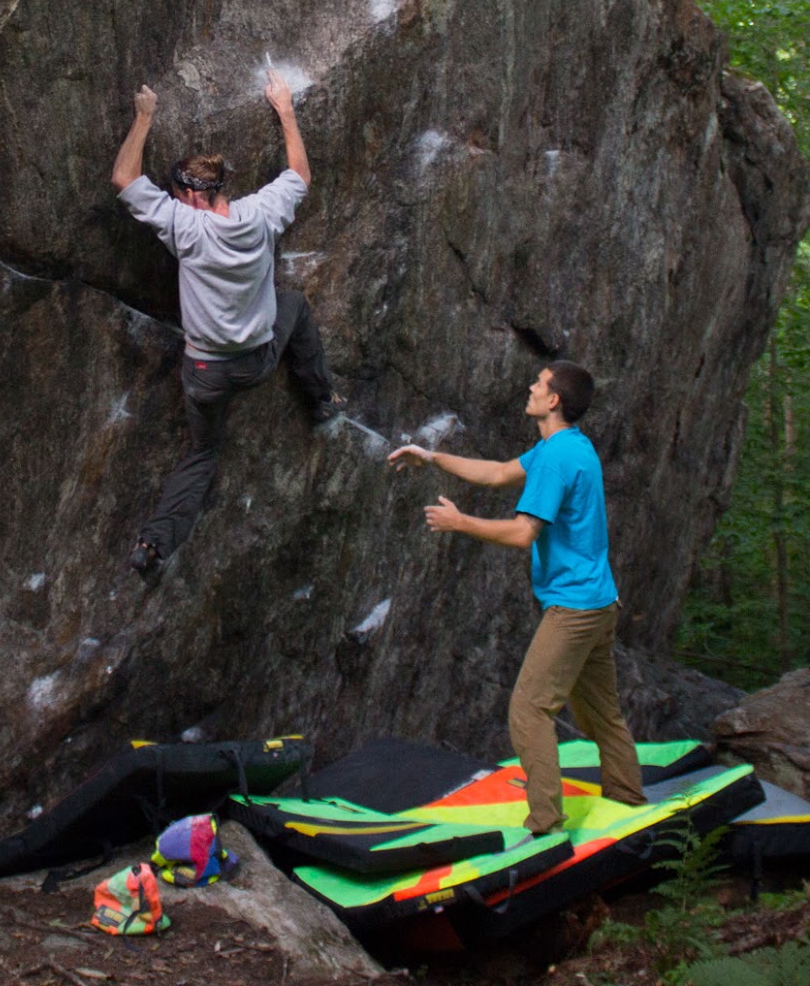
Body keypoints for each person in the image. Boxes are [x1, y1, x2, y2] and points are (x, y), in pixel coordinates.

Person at [388, 362, 645, 835]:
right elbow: (499, 473)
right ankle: (628, 800)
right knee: (600, 712)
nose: (530, 386)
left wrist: (460, 523)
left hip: (574, 609)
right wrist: (432, 457)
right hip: (600, 602)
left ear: (554, 401)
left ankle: (546, 824)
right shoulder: (568, 446)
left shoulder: (557, 457)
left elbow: (524, 532)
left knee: (529, 710)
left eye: (539, 383)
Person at [111, 72, 343, 577]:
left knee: (203, 452)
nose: (172, 202)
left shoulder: (185, 229)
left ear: (193, 199)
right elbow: (300, 173)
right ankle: (322, 401)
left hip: (205, 372)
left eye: (176, 194)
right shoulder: (260, 216)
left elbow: (125, 179)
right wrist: (285, 108)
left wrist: (145, 116)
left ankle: (152, 545)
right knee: (294, 306)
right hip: (257, 359)